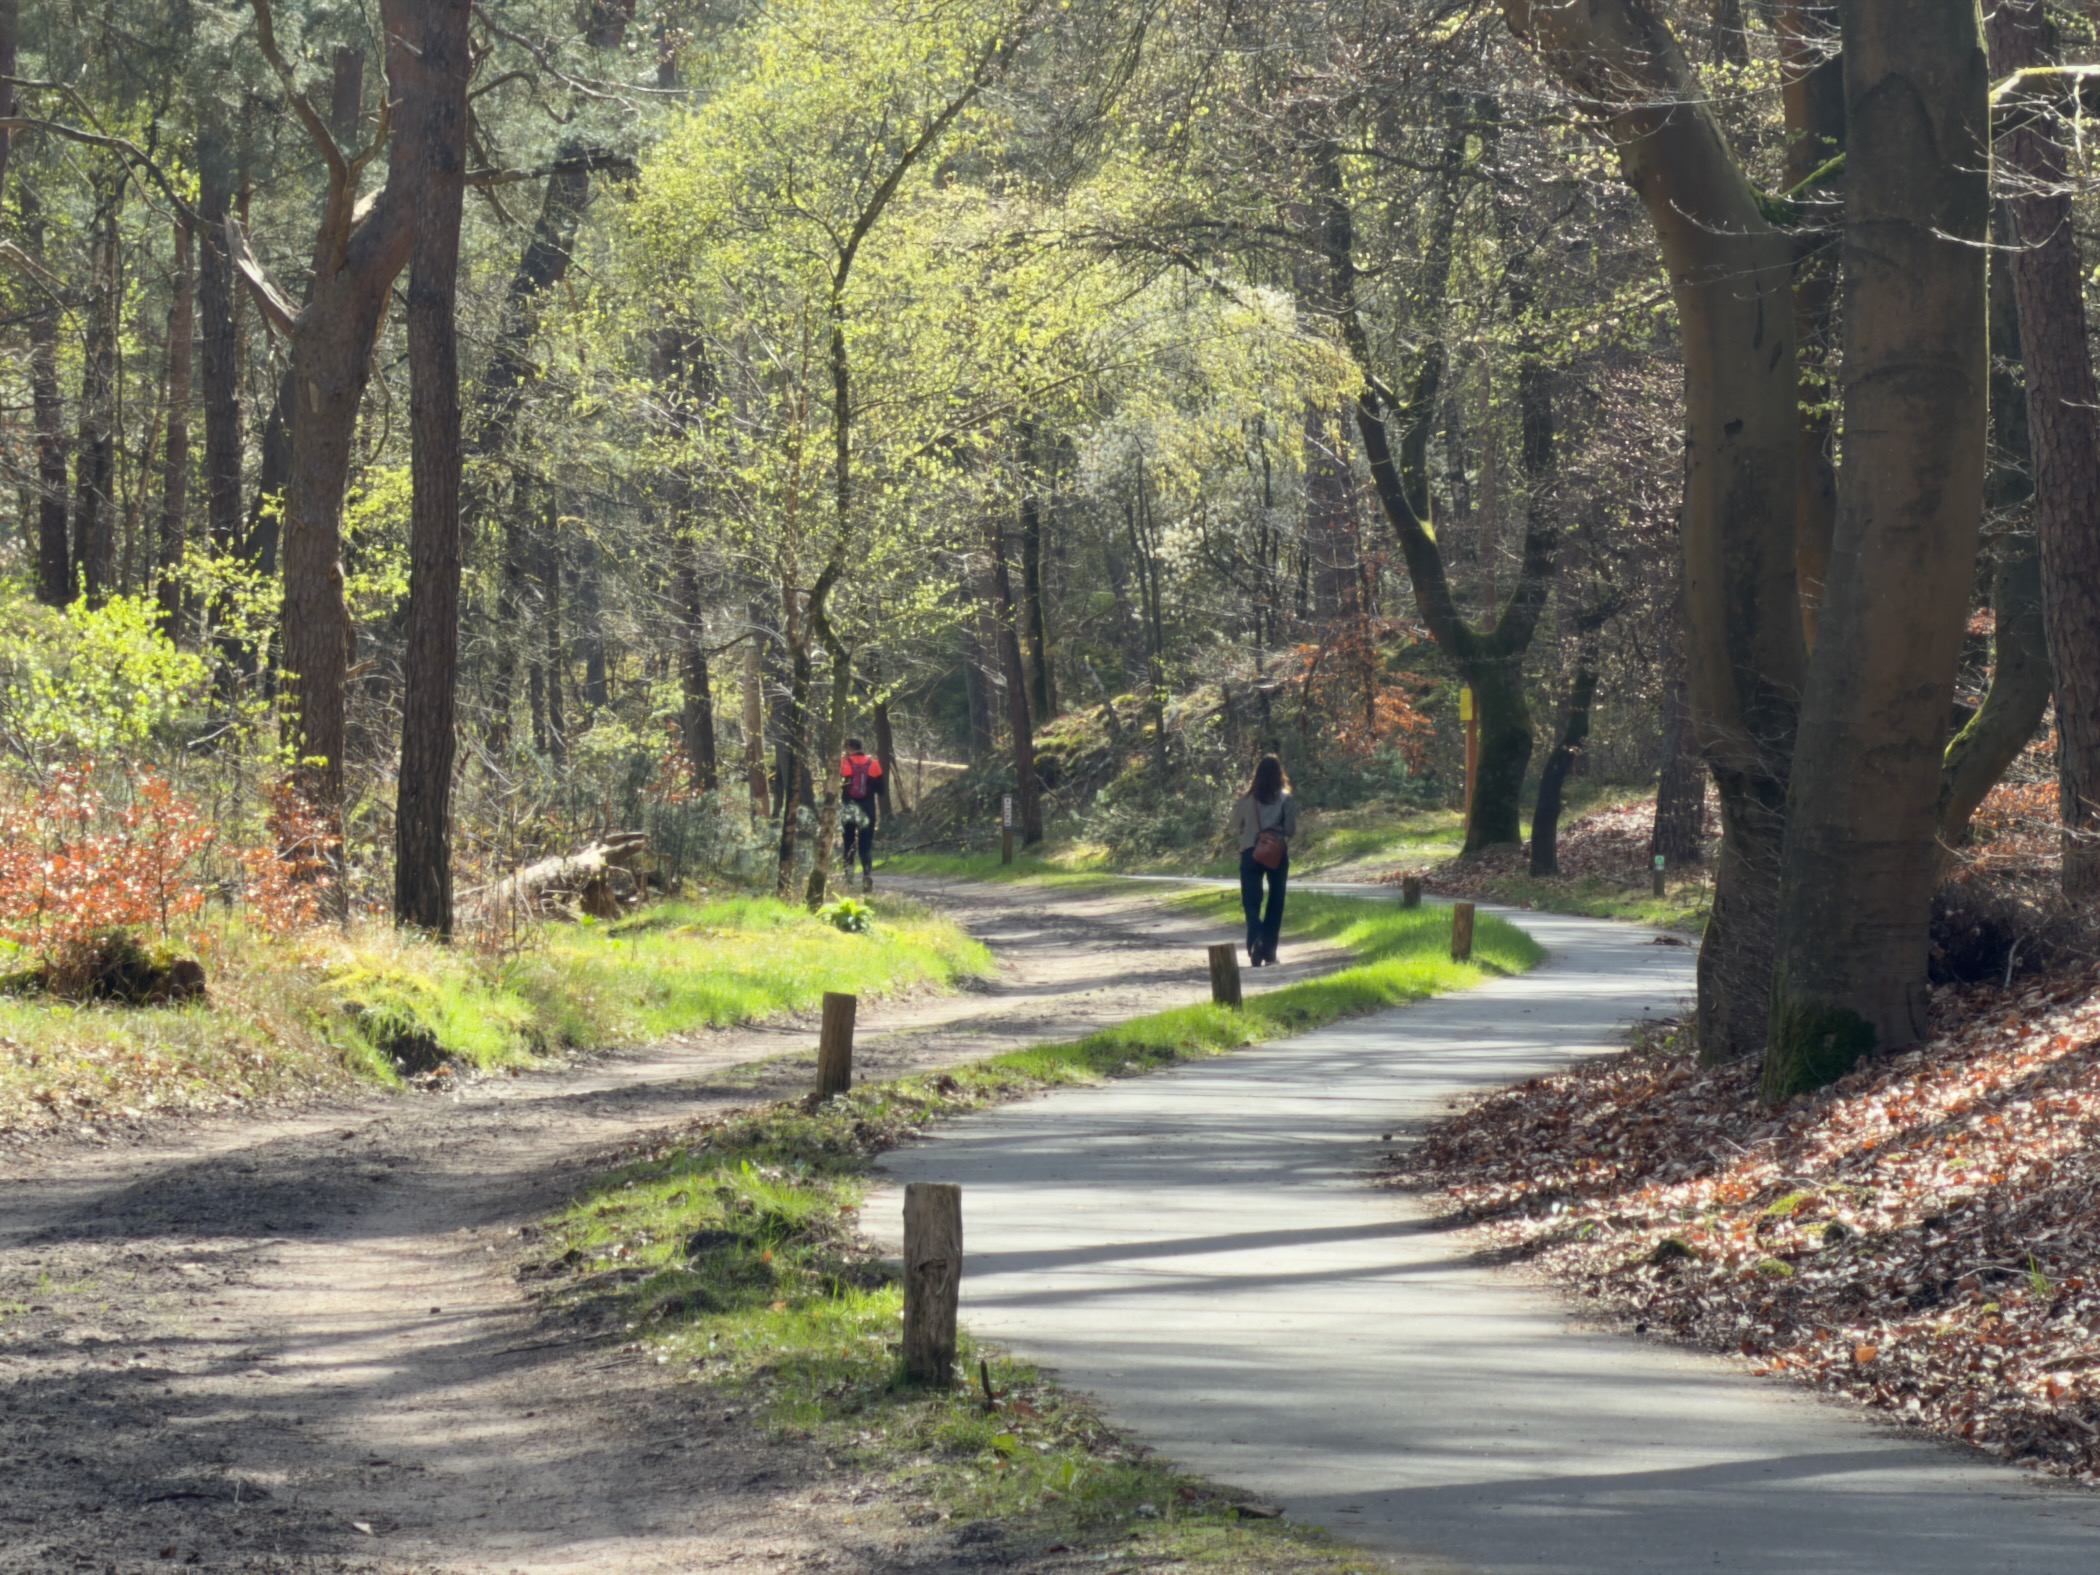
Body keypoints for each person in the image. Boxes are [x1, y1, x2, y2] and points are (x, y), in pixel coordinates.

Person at [1227, 753, 1297, 966]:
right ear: (1279, 774)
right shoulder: (1286, 798)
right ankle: (1269, 951)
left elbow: (1232, 827)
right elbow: (1290, 830)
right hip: (1276, 853)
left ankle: (1255, 939)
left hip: (1250, 851)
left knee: (1251, 901)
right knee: (1276, 901)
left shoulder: (1246, 799)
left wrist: (1250, 830)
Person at [839, 737, 888, 892]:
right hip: (868, 809)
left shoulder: (844, 764)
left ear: (849, 748)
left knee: (848, 843)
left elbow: (837, 785)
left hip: (849, 809)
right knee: (865, 845)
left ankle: (848, 879)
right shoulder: (873, 764)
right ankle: (867, 874)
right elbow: (881, 791)